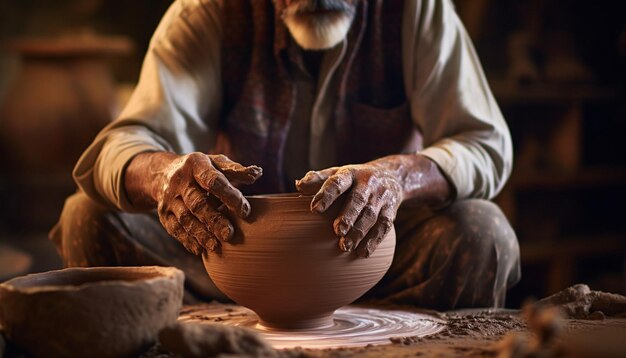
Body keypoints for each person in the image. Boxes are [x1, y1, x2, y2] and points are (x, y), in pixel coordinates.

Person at [51, 0, 521, 309]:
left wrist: (399, 174)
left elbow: (485, 142)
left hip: (370, 262)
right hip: (233, 261)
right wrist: (163, 173)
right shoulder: (209, 12)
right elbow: (118, 148)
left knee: (483, 232)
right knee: (87, 216)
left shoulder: (412, 12)